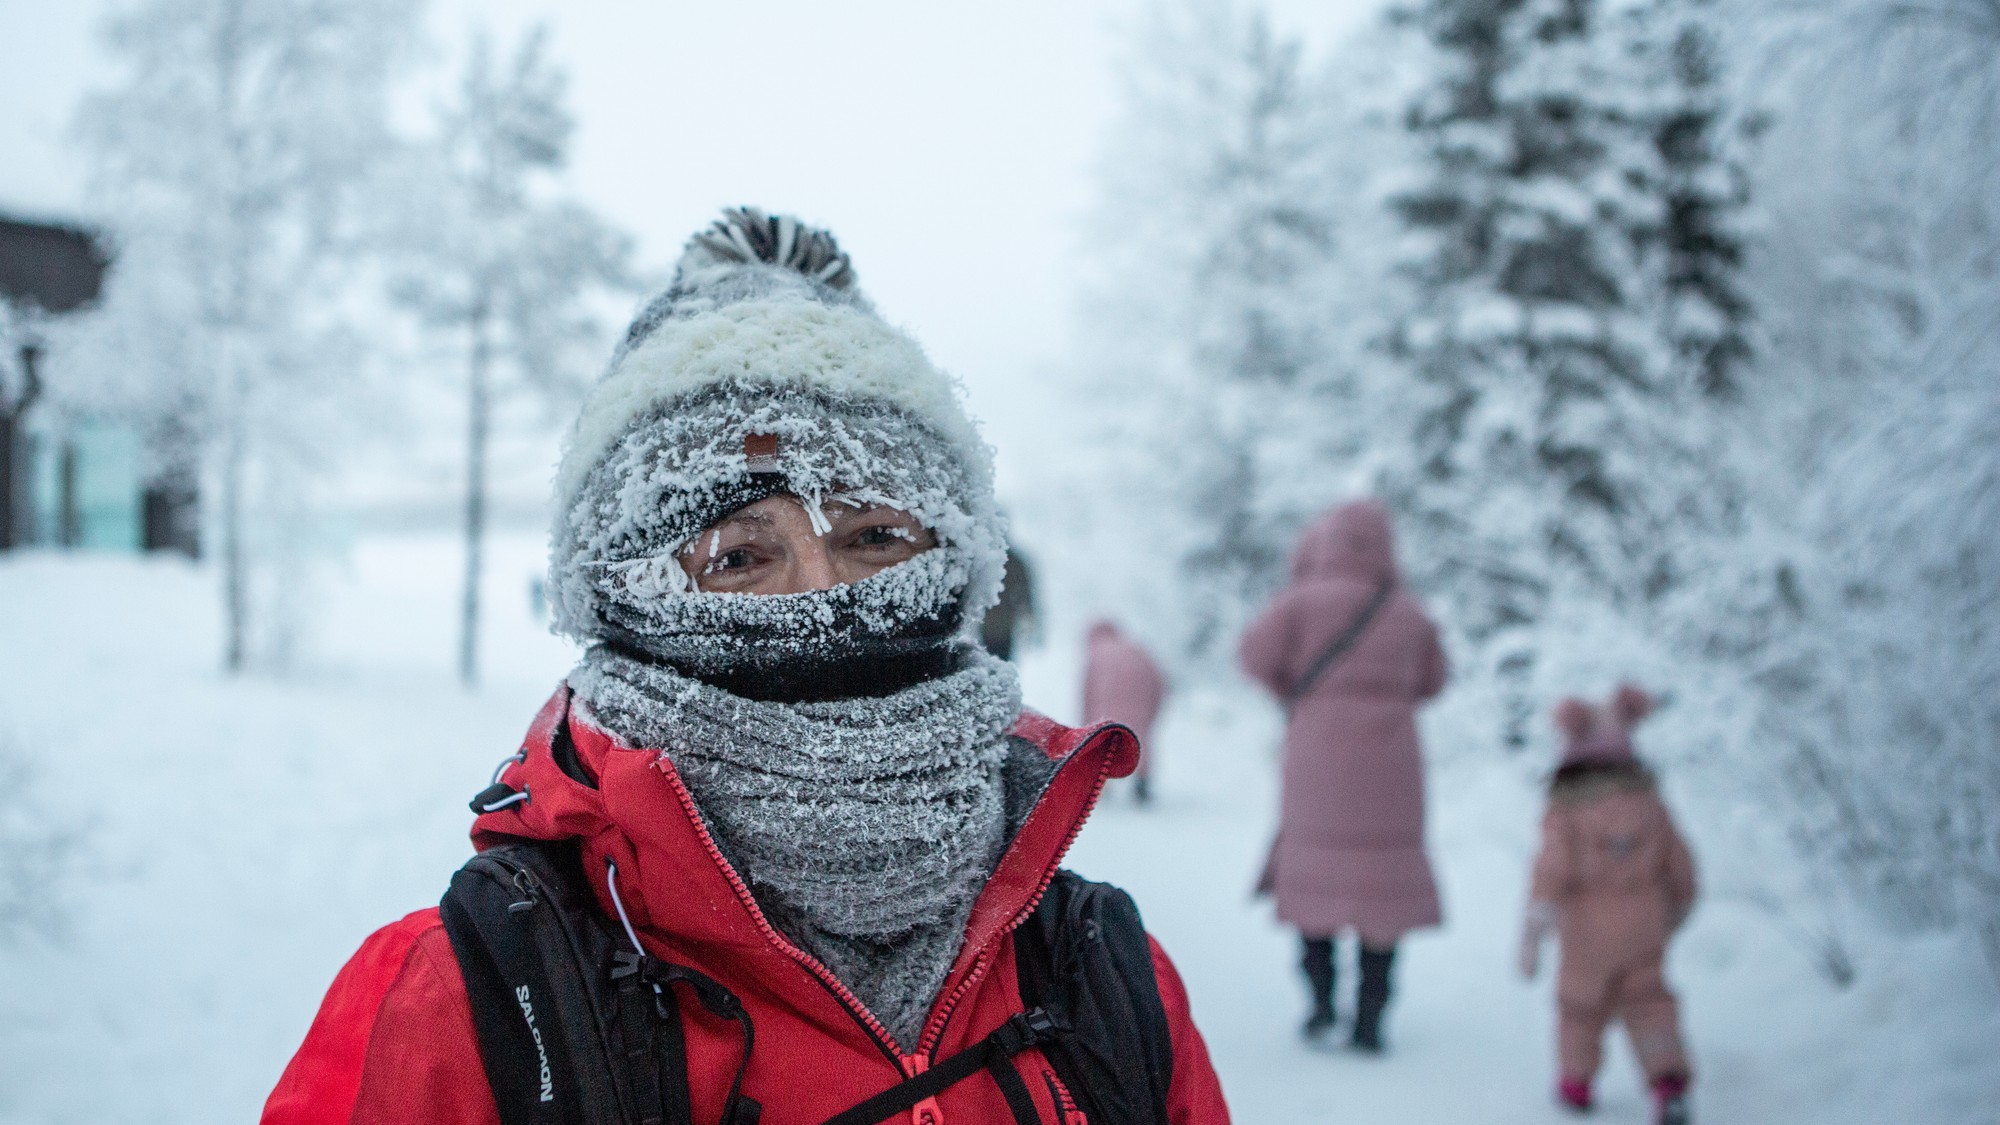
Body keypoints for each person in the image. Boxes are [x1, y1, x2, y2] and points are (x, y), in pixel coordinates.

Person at [261, 209, 1229, 1125]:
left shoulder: (1102, 976)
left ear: (957, 561)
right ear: (626, 599)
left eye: (875, 535)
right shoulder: (463, 1001)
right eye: (737, 557)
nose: (821, 593)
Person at [1238, 499, 1447, 1052]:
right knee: (1384, 891)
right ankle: (1371, 1017)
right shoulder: (1408, 610)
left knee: (1314, 879)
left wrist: (1295, 687)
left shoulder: (1300, 602)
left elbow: (1252, 655)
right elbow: (1435, 679)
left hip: (1316, 755)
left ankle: (1321, 1003)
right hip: (1393, 767)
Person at [1519, 685, 1697, 1125]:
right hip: (1645, 924)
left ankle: (1576, 1084)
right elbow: (1681, 867)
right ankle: (1667, 1080)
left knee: (1580, 1007)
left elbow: (1551, 870)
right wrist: (1675, 911)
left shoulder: (1566, 811)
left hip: (1585, 931)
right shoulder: (1651, 806)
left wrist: (1535, 927)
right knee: (1650, 1001)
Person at [1081, 620, 1167, 805]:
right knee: (1140, 736)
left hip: (1107, 699)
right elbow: (1157, 678)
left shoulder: (1097, 653)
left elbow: (1088, 690)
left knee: (1105, 738)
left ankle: (1101, 781)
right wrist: (1153, 711)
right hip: (1140, 697)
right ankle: (1142, 782)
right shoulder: (1136, 649)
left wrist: (1085, 723)